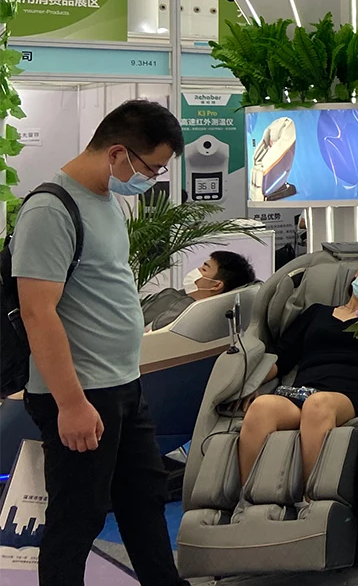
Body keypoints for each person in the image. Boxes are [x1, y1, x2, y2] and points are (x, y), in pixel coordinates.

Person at [15, 99, 190, 586]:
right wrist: (71, 404)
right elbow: (37, 311)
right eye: (151, 169)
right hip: (79, 392)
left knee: (144, 501)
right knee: (78, 517)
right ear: (117, 154)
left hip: (122, 386)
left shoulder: (108, 201)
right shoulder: (51, 209)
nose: (152, 179)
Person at [237, 251, 358, 485]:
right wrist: (251, 384)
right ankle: (249, 494)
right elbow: (281, 358)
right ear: (357, 272)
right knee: (262, 407)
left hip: (346, 396)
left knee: (318, 404)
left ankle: (312, 498)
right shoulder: (317, 312)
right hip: (300, 393)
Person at [140, 250, 256, 331]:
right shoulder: (174, 297)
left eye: (204, 269)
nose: (197, 270)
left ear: (216, 285)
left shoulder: (191, 318)